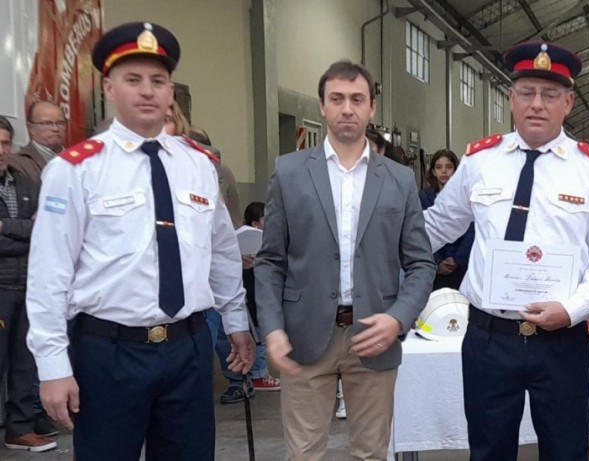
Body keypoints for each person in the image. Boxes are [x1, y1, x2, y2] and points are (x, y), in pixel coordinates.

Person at [25, 21, 255, 460]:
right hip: (108, 353)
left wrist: (236, 320)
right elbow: (49, 273)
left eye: (158, 80)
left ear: (171, 92)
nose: (147, 91)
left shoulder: (199, 165)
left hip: (188, 350)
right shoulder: (75, 170)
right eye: (133, 80)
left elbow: (222, 252)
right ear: (109, 88)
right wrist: (52, 365)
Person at [423, 41, 589, 461]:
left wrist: (573, 309)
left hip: (561, 340)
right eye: (527, 92)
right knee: (488, 451)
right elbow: (437, 226)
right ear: (510, 99)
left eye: (550, 94)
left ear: (568, 103)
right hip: (489, 337)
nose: (537, 104)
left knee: (566, 451)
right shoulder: (480, 160)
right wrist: (377, 251)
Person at [255, 60, 435, 461]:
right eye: (337, 99)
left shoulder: (399, 179)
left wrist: (398, 318)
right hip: (304, 334)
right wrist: (272, 328)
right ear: (322, 106)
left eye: (357, 99)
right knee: (303, 453)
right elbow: (270, 261)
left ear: (372, 108)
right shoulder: (289, 172)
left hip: (375, 332)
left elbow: (422, 263)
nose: (347, 109)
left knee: (371, 452)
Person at [0, 116, 57, 453]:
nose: (1, 150)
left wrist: (5, 226)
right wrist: (25, 229)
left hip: (27, 285)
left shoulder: (22, 181)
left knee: (25, 360)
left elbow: (45, 226)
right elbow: (32, 230)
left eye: (5, 143)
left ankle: (19, 429)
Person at [214, 201, 281, 404]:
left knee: (253, 335)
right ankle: (241, 380)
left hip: (248, 297)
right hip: (220, 298)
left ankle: (247, 379)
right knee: (225, 338)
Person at [419, 149, 474, 290]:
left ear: (456, 170)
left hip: (461, 263)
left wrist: (457, 259)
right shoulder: (424, 196)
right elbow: (422, 230)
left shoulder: (468, 196)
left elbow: (471, 229)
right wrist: (437, 262)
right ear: (433, 171)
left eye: (449, 167)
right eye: (439, 167)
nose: (444, 171)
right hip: (433, 264)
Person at [11, 101, 66, 185]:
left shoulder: (77, 159)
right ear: (30, 128)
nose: (55, 129)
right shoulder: (16, 163)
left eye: (60, 123)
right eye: (47, 123)